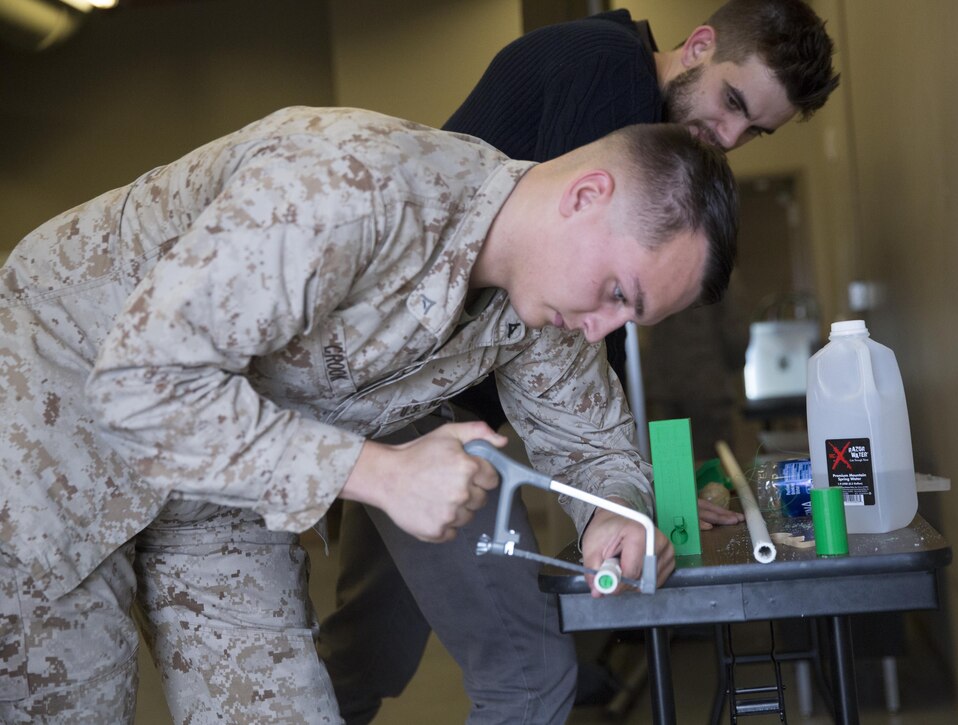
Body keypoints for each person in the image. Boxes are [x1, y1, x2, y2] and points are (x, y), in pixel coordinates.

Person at [0, 106, 738, 723]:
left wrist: (617, 514)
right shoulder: (352, 187)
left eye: (626, 320)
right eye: (617, 291)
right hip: (57, 416)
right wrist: (378, 472)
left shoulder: (545, 309)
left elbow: (596, 446)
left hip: (224, 472)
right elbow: (141, 381)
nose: (602, 328)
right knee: (72, 697)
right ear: (585, 196)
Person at [319, 0, 839, 722]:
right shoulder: (612, 79)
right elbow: (583, 325)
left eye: (753, 130)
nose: (728, 136)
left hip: (425, 399)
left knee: (368, 645)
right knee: (521, 672)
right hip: (422, 402)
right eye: (732, 102)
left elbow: (582, 346)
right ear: (699, 45)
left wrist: (631, 493)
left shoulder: (614, 82)